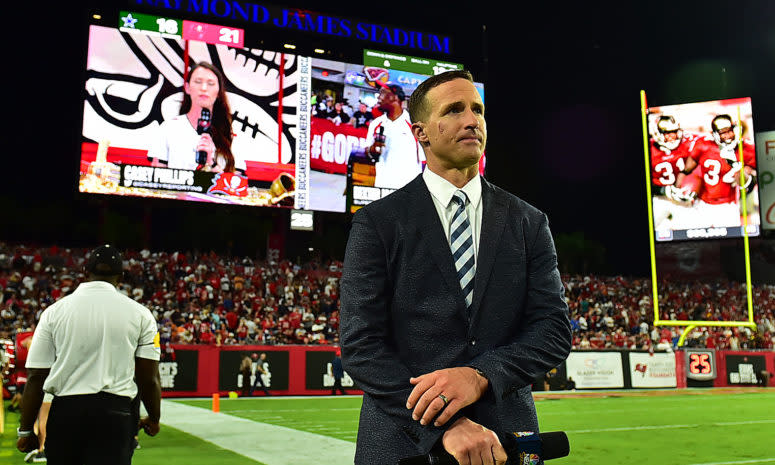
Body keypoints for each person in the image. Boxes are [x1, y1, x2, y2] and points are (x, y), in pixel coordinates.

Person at [340, 70, 572, 465]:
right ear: (421, 133)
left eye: (477, 109)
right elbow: (361, 345)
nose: (472, 120)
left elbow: (552, 330)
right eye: (454, 110)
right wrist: (443, 425)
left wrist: (480, 375)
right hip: (404, 443)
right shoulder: (377, 222)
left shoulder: (529, 221)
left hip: (506, 440)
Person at [16, 245, 161, 464]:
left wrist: (26, 431)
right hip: (115, 415)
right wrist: (154, 417)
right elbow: (148, 378)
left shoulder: (53, 313)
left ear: (85, 271)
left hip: (66, 413)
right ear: (120, 276)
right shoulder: (141, 315)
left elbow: (36, 376)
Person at [147, 62, 246, 175]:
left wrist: (211, 163)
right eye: (198, 82)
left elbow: (237, 184)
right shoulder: (169, 127)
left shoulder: (231, 133)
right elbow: (157, 177)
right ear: (187, 88)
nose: (204, 88)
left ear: (219, 91)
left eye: (210, 83)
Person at [364, 82, 425, 189]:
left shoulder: (414, 124)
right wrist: (372, 150)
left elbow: (425, 159)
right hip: (383, 186)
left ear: (395, 97)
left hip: (409, 190)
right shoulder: (376, 124)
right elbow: (367, 152)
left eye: (382, 93)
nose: (378, 96)